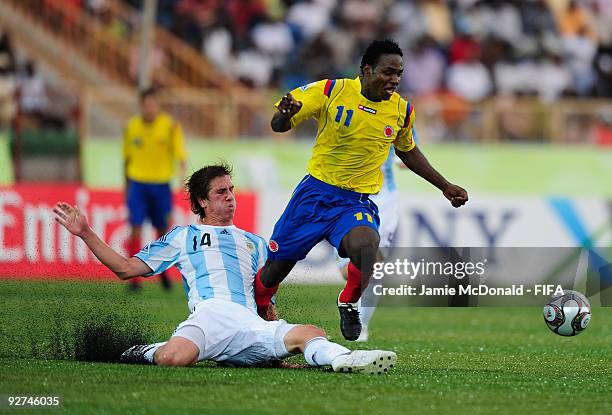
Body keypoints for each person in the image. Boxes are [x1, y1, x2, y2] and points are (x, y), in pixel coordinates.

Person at [52, 164, 397, 373]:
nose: (230, 196)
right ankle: (146, 350)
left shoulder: (257, 243)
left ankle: (348, 359)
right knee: (174, 359)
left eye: (232, 189)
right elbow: (127, 269)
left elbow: (265, 298)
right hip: (209, 318)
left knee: (310, 333)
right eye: (221, 192)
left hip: (247, 323)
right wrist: (85, 232)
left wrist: (271, 327)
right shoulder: (183, 236)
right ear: (202, 201)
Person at [255, 39, 468, 341]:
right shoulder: (331, 91)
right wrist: (284, 115)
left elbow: (408, 151)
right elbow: (279, 125)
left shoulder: (401, 111)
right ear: (366, 70)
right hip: (314, 196)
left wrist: (444, 186)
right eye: (387, 72)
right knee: (274, 272)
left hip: (354, 202)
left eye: (399, 74)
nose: (394, 79)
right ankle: (260, 308)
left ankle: (349, 302)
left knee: (368, 248)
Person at [123, 87, 187, 291]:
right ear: (141, 105)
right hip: (138, 183)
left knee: (162, 231)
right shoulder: (132, 126)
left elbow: (180, 155)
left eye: (153, 104)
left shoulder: (169, 126)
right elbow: (127, 158)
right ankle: (134, 278)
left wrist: (182, 179)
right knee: (135, 227)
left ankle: (163, 274)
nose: (150, 108)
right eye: (146, 104)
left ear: (158, 105)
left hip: (161, 184)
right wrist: (126, 186)